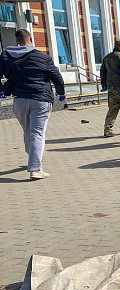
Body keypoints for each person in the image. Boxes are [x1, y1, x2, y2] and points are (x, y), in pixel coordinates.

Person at [0, 29, 65, 180]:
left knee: (28, 131)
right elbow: (56, 76)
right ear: (31, 40)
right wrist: (61, 93)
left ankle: (32, 158)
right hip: (40, 99)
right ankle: (35, 168)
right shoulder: (43, 57)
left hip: (20, 100)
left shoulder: (6, 56)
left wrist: (2, 90)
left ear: (17, 41)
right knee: (37, 133)